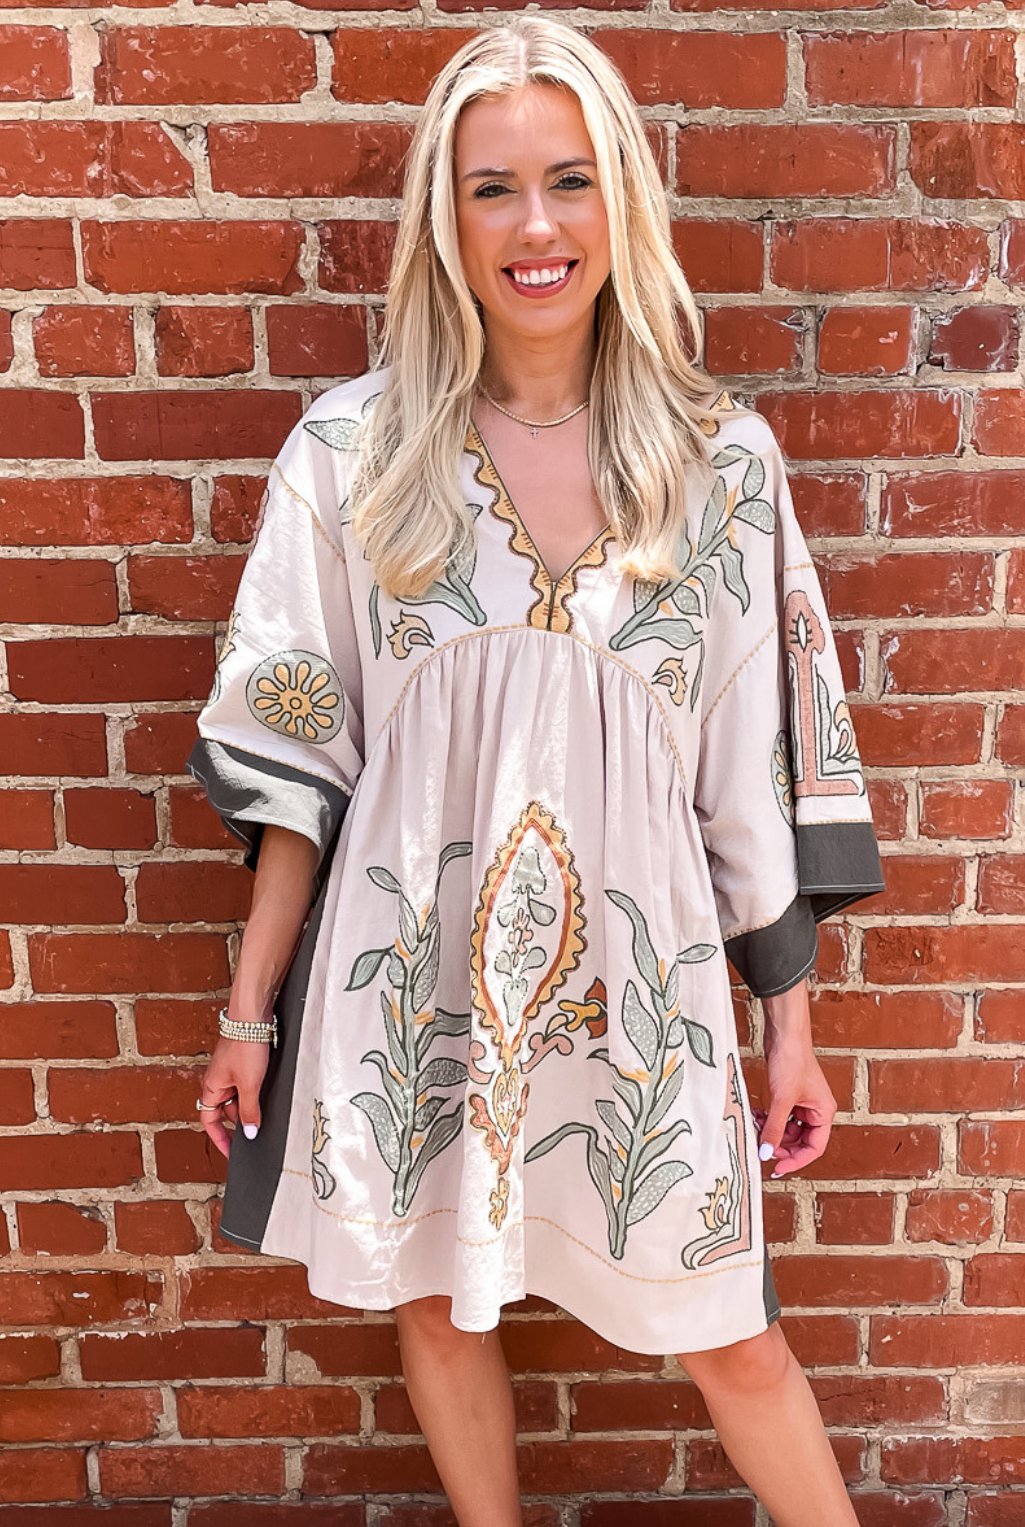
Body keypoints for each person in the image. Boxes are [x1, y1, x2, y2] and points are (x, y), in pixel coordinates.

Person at [186, 18, 884, 1526]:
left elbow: (755, 775)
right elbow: (301, 761)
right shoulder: (352, 456)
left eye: (569, 180)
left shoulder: (722, 465)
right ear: (443, 218)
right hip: (415, 974)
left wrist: (790, 1027)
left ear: (621, 199)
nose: (536, 227)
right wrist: (249, 1012)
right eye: (492, 188)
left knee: (732, 1331)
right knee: (441, 1301)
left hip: (646, 988)